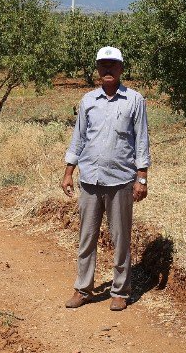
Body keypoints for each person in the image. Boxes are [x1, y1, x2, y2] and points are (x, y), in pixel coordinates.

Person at [62, 46, 151, 311]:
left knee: (120, 237)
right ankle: (83, 289)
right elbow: (78, 137)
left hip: (121, 180)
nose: (108, 69)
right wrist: (69, 171)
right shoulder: (88, 100)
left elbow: (142, 140)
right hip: (90, 179)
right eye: (103, 65)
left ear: (121, 68)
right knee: (86, 237)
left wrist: (142, 177)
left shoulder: (135, 100)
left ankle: (120, 291)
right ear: (98, 70)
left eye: (113, 65)